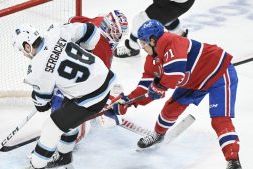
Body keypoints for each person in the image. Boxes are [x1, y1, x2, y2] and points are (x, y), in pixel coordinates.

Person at [112, 19, 242, 169]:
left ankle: (233, 161)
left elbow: (175, 73)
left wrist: (159, 86)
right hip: (194, 81)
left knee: (219, 119)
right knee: (170, 108)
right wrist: (128, 101)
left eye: (144, 43)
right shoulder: (152, 59)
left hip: (218, 73)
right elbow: (145, 87)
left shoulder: (171, 41)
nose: (142, 47)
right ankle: (158, 134)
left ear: (153, 40)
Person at [12, 22, 116, 169]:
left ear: (27, 45)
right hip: (103, 76)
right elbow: (92, 31)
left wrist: (41, 93)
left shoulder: (37, 69)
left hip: (92, 97)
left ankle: (36, 165)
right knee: (65, 114)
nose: (23, 54)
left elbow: (42, 104)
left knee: (51, 127)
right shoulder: (56, 32)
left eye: (22, 50)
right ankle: (64, 156)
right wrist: (86, 51)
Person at [46, 10, 129, 168]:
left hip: (58, 68)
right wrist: (107, 100)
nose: (118, 38)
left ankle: (56, 132)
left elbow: (73, 19)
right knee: (77, 126)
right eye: (116, 33)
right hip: (70, 80)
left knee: (59, 104)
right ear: (108, 28)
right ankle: (62, 148)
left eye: (120, 34)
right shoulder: (102, 49)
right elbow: (98, 82)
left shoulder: (97, 21)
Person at [114, 0, 195, 58]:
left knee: (139, 21)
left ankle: (132, 48)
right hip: (180, 2)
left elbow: (160, 3)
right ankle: (182, 41)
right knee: (167, 19)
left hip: (178, 4)